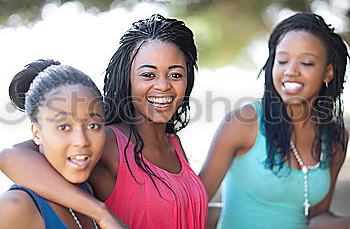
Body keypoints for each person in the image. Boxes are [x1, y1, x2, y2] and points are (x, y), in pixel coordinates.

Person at [0, 14, 208, 229]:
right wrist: (103, 214)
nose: (163, 85)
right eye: (148, 74)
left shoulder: (173, 143)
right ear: (126, 77)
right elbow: (10, 157)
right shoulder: (106, 141)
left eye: (175, 75)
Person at [199, 12, 350, 228]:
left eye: (306, 63)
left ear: (328, 73)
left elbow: (316, 218)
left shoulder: (336, 137)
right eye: (282, 60)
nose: (291, 71)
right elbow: (193, 204)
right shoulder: (245, 123)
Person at [0, 59, 127, 229]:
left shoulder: (86, 190)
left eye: (93, 126)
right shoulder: (16, 207)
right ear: (36, 133)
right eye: (64, 127)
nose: (82, 141)